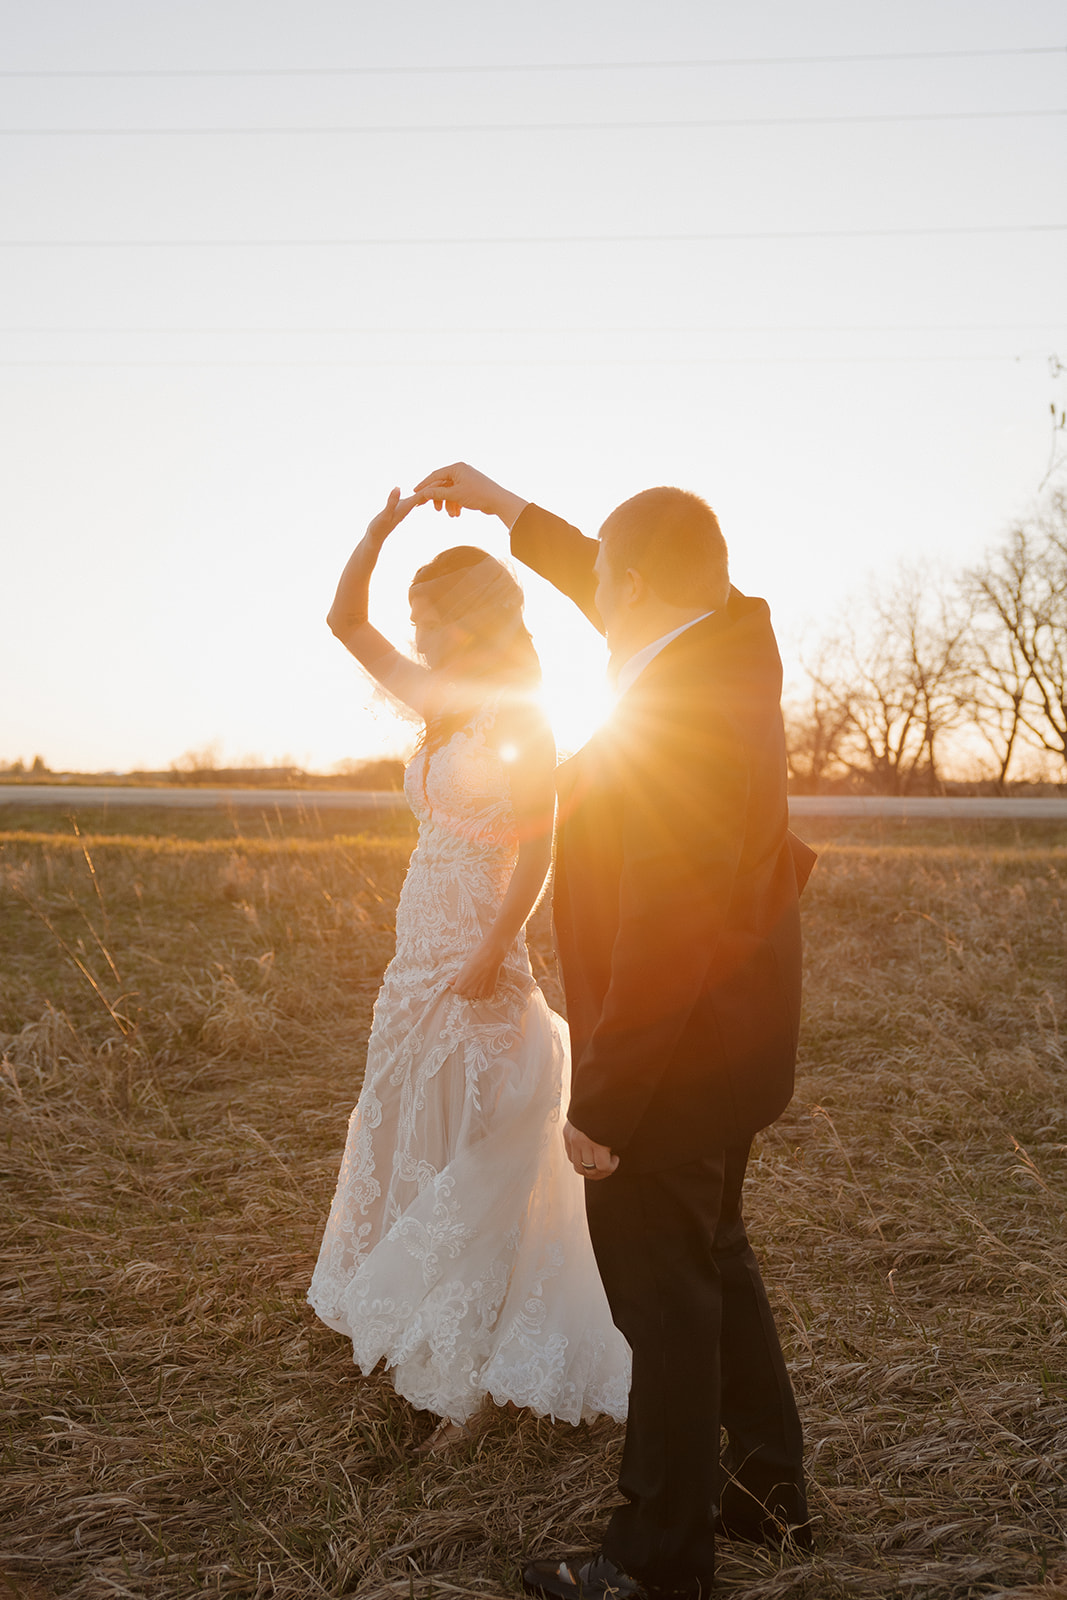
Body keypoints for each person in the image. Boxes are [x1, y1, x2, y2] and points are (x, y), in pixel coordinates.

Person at [415, 463, 816, 1596]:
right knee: (713, 1261)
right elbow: (614, 582)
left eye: (600, 575)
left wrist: (602, 1103)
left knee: (661, 1302)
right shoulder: (714, 651)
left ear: (634, 583)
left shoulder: (684, 711)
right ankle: (766, 1489)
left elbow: (664, 932)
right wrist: (504, 508)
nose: (589, 592)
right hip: (730, 1044)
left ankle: (654, 1561)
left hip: (672, 1058)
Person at [307, 488, 630, 1452]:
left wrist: (492, 950)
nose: (418, 636)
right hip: (416, 954)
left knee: (481, 1147)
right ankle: (416, 1327)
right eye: (415, 622)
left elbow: (538, 851)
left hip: (481, 954)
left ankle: (473, 1380)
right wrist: (375, 531)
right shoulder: (446, 708)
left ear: (469, 621)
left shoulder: (522, 717)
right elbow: (342, 623)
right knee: (410, 1132)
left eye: (429, 621)